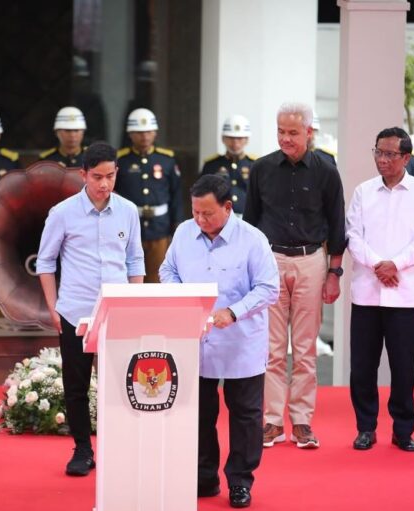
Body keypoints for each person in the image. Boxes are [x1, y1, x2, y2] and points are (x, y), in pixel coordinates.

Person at [160, 174, 278, 509]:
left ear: (228, 207)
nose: (200, 219)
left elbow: (269, 288)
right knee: (199, 412)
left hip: (241, 340)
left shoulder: (252, 239)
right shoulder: (184, 233)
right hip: (196, 339)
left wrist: (234, 311)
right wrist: (182, 298)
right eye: (195, 211)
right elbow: (167, 270)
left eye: (207, 213)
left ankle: (240, 481)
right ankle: (204, 476)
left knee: (245, 415)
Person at [36, 141, 145, 476]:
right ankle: (82, 449)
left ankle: (120, 447)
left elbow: (135, 260)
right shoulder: (62, 213)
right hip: (75, 311)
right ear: (83, 175)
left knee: (122, 384)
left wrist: (135, 302)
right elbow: (45, 262)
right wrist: (53, 307)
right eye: (97, 177)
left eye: (110, 176)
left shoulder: (128, 210)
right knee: (76, 385)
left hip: (117, 311)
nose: (104, 184)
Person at [244, 102, 345, 450]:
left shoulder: (326, 170)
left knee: (304, 349)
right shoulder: (261, 169)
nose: (285, 138)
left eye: (292, 132)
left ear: (309, 132)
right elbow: (249, 224)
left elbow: (337, 223)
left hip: (311, 261)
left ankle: (302, 421)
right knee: (272, 349)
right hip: (270, 262)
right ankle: (272, 422)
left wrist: (334, 273)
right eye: (280, 131)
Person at [346, 128, 414, 452]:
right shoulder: (363, 191)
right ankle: (365, 428)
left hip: (405, 293)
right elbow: (353, 235)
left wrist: (395, 264)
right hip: (367, 292)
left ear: (406, 157)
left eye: (390, 154)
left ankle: (403, 430)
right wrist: (378, 265)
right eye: (378, 152)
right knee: (362, 368)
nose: (382, 160)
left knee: (403, 368)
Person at [115, 108, 182, 283]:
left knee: (157, 278)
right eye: (139, 132)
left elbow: (176, 194)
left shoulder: (166, 160)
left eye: (148, 132)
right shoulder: (121, 160)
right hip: (128, 229)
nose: (144, 137)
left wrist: (176, 225)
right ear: (130, 134)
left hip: (159, 228)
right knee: (128, 277)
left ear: (155, 133)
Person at [200, 115, 256, 218]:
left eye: (240, 138)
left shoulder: (255, 165)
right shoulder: (211, 165)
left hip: (248, 220)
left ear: (247, 139)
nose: (235, 143)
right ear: (223, 139)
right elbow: (202, 195)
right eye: (231, 138)